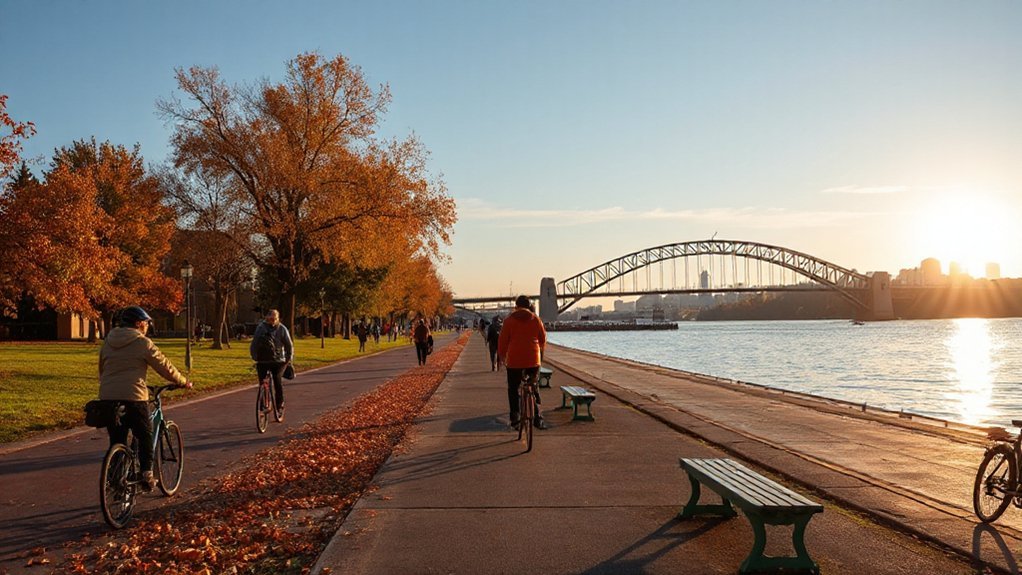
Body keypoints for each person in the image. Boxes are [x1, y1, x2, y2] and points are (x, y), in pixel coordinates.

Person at [99, 306, 192, 491]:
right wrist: (183, 381)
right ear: (139, 323)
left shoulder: (108, 341)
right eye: (147, 323)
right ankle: (147, 474)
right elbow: (164, 366)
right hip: (133, 396)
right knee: (145, 434)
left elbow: (102, 368)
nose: (148, 326)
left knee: (117, 439)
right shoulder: (142, 342)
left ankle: (115, 477)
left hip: (107, 397)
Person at [498, 295, 547, 430]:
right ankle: (538, 418)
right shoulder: (536, 319)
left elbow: (503, 341)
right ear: (529, 305)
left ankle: (515, 417)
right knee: (533, 384)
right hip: (533, 360)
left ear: (516, 306)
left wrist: (502, 356)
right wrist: (540, 351)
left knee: (513, 388)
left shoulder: (509, 321)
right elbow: (542, 339)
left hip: (514, 360)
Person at [249, 309, 294, 412]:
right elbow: (289, 346)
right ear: (267, 318)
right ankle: (268, 403)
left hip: (273, 361)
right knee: (269, 381)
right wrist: (288, 359)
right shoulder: (277, 328)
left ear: (278, 319)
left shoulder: (278, 329)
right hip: (270, 360)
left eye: (274, 319)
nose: (272, 321)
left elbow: (254, 344)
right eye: (271, 319)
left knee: (276, 380)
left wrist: (288, 358)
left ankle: (275, 403)